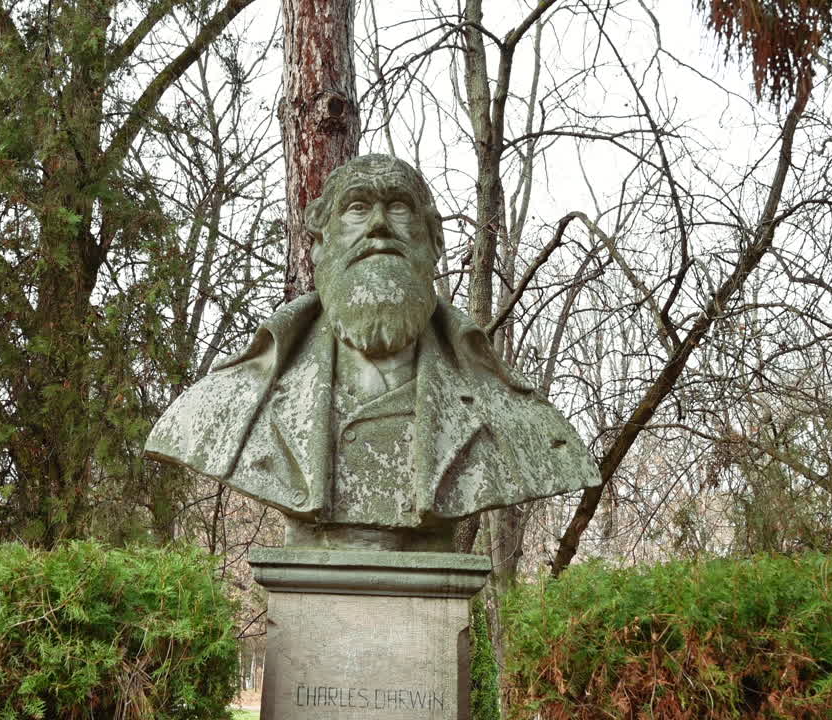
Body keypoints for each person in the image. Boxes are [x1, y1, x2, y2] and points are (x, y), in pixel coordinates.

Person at [146, 154, 599, 551]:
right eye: (357, 207)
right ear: (320, 243)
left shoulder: (518, 419)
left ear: (435, 242)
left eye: (398, 206)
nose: (378, 224)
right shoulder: (220, 408)